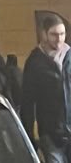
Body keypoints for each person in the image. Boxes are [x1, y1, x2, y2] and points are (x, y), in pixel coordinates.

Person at [21, 12, 71, 162]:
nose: (59, 39)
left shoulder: (69, 56)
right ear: (44, 34)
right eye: (54, 34)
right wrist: (29, 136)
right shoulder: (35, 61)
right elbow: (28, 101)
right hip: (50, 133)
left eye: (62, 34)